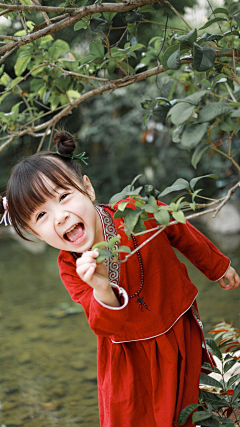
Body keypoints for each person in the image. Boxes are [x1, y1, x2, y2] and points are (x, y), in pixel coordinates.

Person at [1, 130, 240, 427]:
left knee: (190, 404)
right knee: (135, 415)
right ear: (36, 235)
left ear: (87, 188)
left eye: (63, 197)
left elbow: (179, 230)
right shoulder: (70, 266)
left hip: (176, 325)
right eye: (41, 216)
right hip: (129, 356)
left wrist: (217, 266)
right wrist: (100, 286)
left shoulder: (135, 214)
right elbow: (102, 324)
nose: (59, 216)